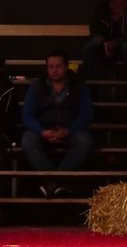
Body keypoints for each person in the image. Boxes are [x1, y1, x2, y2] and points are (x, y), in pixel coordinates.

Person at [20, 50, 95, 197]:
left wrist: (68, 131)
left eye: (58, 66)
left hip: (70, 129)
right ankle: (59, 182)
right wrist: (42, 132)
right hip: (43, 129)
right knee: (27, 141)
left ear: (66, 66)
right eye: (51, 67)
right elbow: (27, 114)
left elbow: (87, 114)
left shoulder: (79, 86)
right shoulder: (37, 86)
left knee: (85, 141)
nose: (54, 71)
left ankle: (53, 183)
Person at [80, 0, 127, 82]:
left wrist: (117, 43)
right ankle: (91, 87)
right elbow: (94, 30)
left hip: (126, 47)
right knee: (89, 49)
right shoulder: (102, 8)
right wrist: (103, 43)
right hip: (104, 47)